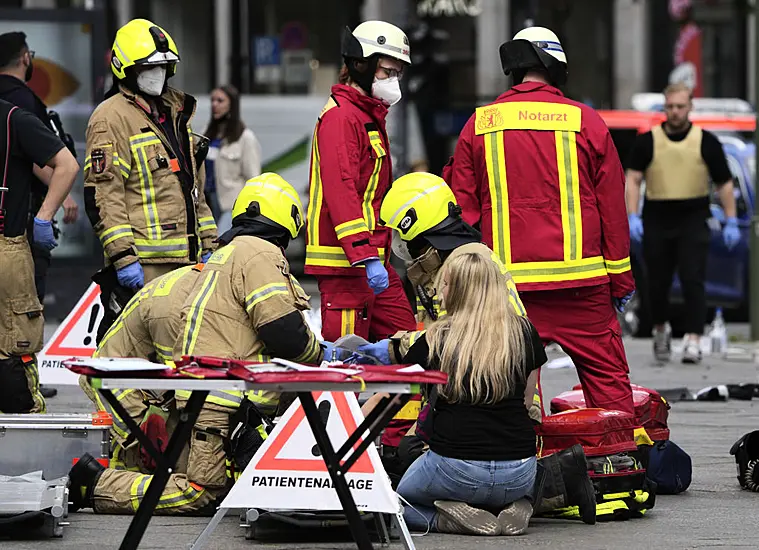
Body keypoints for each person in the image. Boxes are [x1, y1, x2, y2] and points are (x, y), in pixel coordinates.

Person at [67, 173, 326, 515]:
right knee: (191, 487)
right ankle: (94, 484)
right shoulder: (231, 271)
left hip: (168, 387)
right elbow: (278, 335)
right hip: (121, 382)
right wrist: (147, 420)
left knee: (198, 474)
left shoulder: (214, 276)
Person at [360, 173, 597, 526]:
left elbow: (436, 343)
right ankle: (526, 497)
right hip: (506, 432)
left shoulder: (462, 268)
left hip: (472, 415)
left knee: (394, 496)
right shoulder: (464, 267)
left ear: (417, 230)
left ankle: (469, 512)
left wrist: (383, 352)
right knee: (433, 455)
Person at [446, 26, 636, 416]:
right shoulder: (585, 121)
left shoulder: (479, 125)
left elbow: (462, 214)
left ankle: (519, 461)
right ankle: (618, 462)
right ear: (556, 67)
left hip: (508, 289)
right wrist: (621, 279)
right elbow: (613, 209)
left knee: (506, 385)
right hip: (581, 287)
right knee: (608, 385)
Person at [392, 252, 544, 535]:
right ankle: (518, 503)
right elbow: (526, 401)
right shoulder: (524, 332)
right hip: (520, 471)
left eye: (446, 284)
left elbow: (397, 390)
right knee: (506, 483)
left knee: (395, 505)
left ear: (460, 291)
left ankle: (443, 520)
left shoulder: (436, 339)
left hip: (455, 467)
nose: (440, 291)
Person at [83, 18, 217, 294]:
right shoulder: (110, 118)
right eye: (148, 67)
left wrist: (210, 245)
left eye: (161, 66)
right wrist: (124, 258)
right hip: (145, 266)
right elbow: (104, 195)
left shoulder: (175, 114)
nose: (156, 73)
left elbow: (194, 191)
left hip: (189, 262)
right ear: (126, 69)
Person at [304, 20, 416, 344]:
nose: (393, 80)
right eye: (387, 72)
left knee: (407, 347)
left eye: (398, 73)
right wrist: (364, 256)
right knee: (346, 367)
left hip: (372, 261)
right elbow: (342, 192)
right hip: (346, 266)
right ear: (361, 65)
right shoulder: (341, 117)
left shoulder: (366, 116)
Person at [625, 82, 738, 364]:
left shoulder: (706, 141)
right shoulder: (648, 141)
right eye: (670, 107)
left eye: (680, 106)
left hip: (693, 215)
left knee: (693, 278)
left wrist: (732, 219)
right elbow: (634, 178)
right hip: (657, 216)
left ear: (690, 107)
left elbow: (724, 183)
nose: (675, 112)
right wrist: (633, 214)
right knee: (658, 282)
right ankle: (661, 328)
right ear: (665, 107)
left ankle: (693, 339)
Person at [0, 31, 80, 399]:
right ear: (24, 59)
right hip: (12, 237)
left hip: (14, 234)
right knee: (17, 338)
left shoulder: (13, 112)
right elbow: (59, 163)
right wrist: (48, 211)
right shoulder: (18, 110)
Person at [78, 263, 205, 472]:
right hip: (119, 388)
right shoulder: (172, 310)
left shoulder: (196, 284)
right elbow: (182, 385)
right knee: (158, 461)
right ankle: (103, 485)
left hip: (136, 386)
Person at [203, 84, 262, 234]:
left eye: (220, 100)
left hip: (230, 205)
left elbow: (253, 179)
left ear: (232, 105)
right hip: (205, 204)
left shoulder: (245, 138)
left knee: (222, 243)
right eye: (212, 100)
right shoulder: (206, 134)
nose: (214, 104)